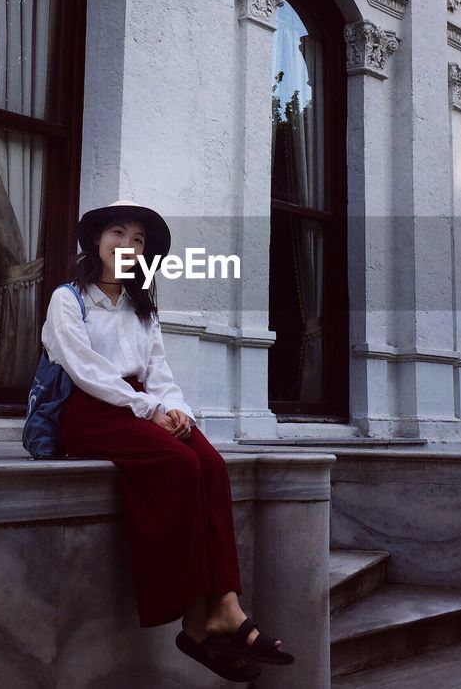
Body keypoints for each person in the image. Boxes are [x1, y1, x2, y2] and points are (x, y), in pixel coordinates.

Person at [41, 199, 294, 682]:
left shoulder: (140, 308)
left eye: (138, 241)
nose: (128, 246)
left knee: (212, 464)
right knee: (179, 465)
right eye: (118, 233)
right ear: (96, 241)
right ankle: (194, 620)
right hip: (91, 410)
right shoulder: (68, 298)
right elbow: (86, 370)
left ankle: (225, 606)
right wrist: (147, 410)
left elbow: (158, 371)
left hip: (141, 406)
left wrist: (175, 409)